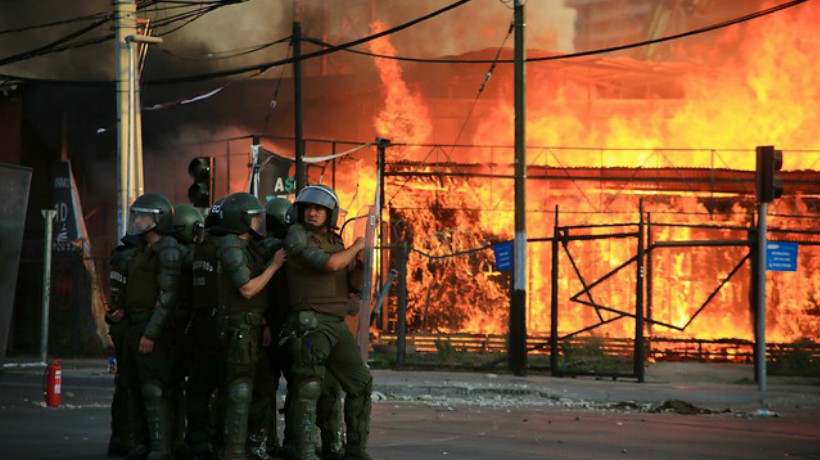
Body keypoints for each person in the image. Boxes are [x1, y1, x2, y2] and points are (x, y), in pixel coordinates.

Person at [282, 184, 373, 460]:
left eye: (319, 209)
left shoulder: (335, 242)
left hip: (336, 323)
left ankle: (355, 450)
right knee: (309, 387)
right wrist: (358, 245)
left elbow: (353, 283)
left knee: (361, 382)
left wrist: (360, 263)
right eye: (308, 208)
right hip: (310, 323)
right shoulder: (297, 237)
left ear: (330, 214)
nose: (312, 213)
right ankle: (305, 451)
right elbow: (329, 265)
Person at [216, 192, 286, 460]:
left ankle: (255, 446)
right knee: (240, 389)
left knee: (260, 388)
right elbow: (247, 289)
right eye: (254, 218)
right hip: (239, 329)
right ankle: (233, 451)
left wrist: (265, 323)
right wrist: (274, 266)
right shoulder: (231, 246)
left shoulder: (246, 246)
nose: (259, 223)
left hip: (253, 327)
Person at [112, 193, 183, 460]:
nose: (138, 221)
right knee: (133, 387)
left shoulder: (168, 249)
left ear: (158, 219)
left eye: (144, 216)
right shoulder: (143, 250)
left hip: (150, 329)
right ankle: (139, 443)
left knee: (153, 388)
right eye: (137, 215)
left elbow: (166, 296)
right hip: (133, 325)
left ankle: (160, 447)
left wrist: (150, 333)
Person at [186, 198, 227, 459]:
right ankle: (217, 440)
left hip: (199, 323)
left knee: (199, 386)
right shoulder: (222, 250)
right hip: (217, 324)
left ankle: (197, 440)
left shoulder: (199, 249)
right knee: (227, 385)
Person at [169, 204, 204, 457]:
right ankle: (190, 438)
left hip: (176, 326)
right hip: (186, 326)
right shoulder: (187, 255)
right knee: (193, 387)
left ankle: (174, 439)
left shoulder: (166, 251)